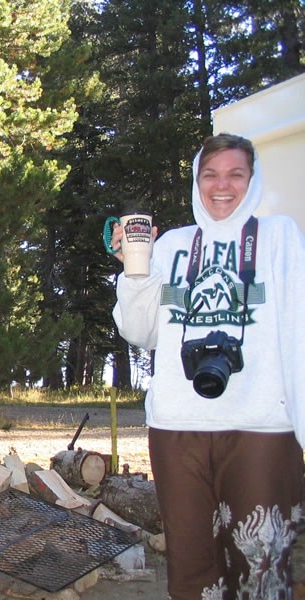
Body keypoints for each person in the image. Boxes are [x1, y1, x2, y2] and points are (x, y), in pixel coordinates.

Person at [110, 132, 305, 599]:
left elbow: (298, 331)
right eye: (210, 175)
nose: (222, 185)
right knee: (192, 567)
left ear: (252, 181)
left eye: (235, 174)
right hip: (177, 428)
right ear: (197, 182)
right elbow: (141, 332)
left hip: (262, 428)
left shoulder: (278, 236)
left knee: (262, 565)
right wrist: (134, 271)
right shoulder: (174, 245)